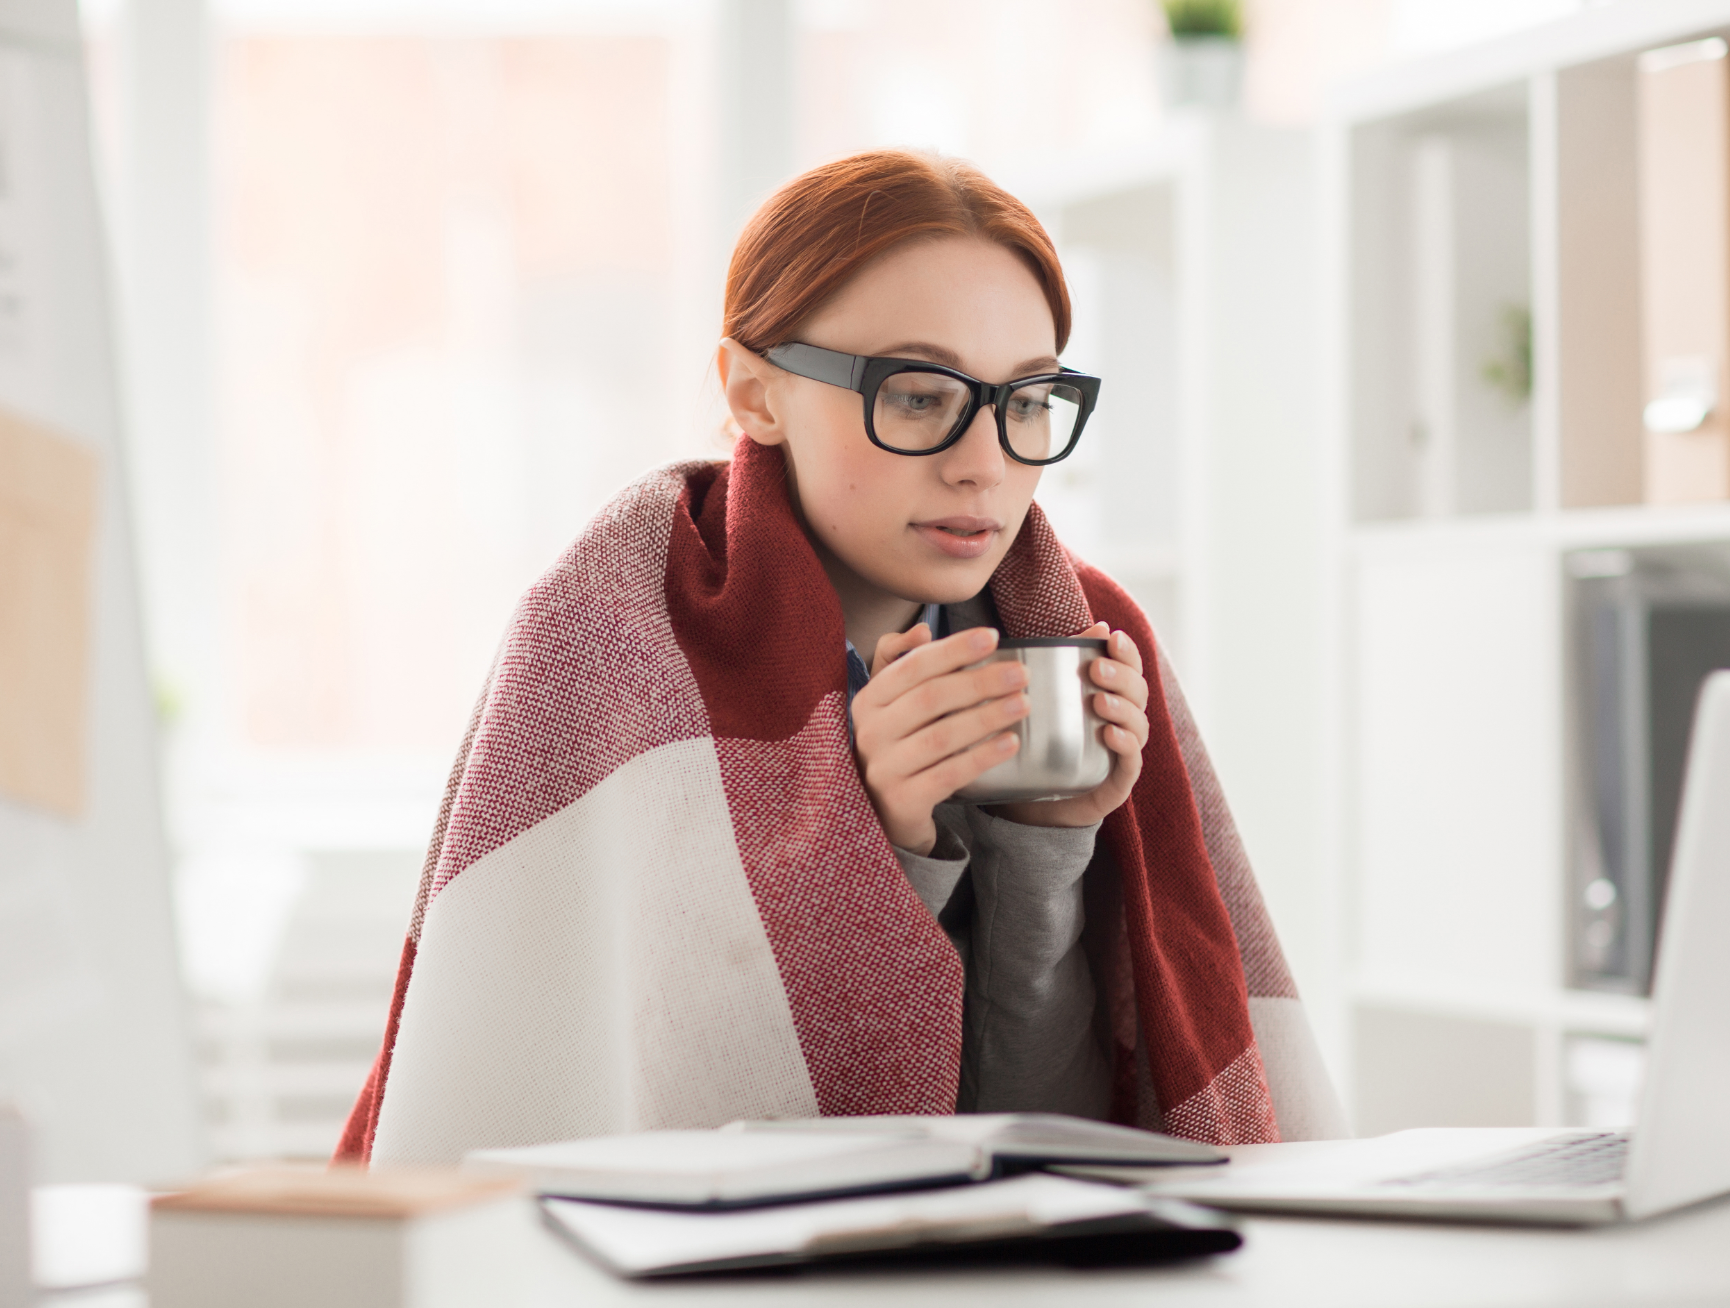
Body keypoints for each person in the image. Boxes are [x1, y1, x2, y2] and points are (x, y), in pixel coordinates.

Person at [337, 149, 1344, 1166]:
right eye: (916, 395)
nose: (983, 463)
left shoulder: (1084, 634)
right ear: (754, 392)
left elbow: (1057, 1138)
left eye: (1028, 401)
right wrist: (878, 846)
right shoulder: (608, 642)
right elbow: (680, 1133)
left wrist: (1044, 841)